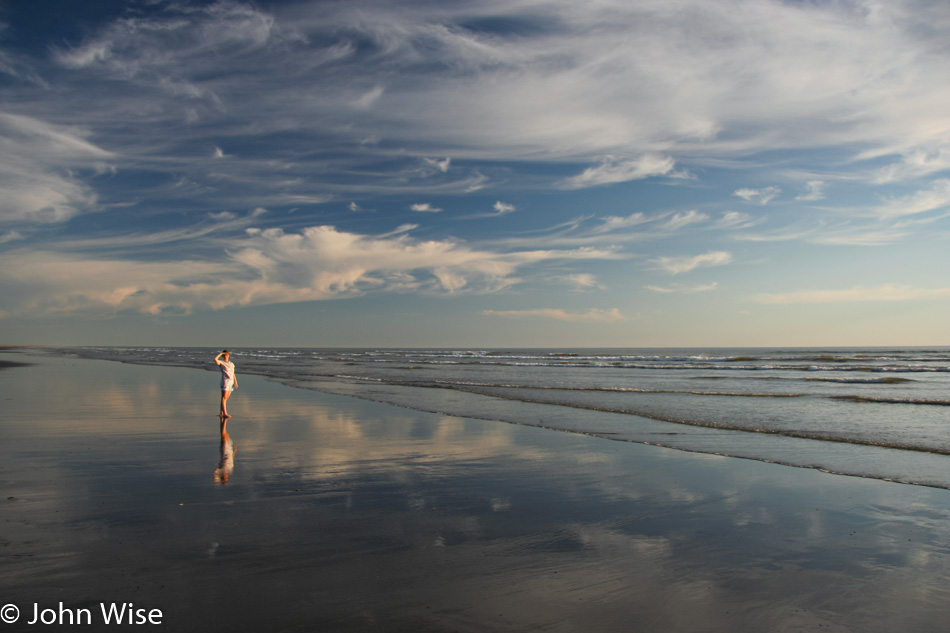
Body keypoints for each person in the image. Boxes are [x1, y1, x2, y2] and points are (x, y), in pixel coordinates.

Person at [214, 350, 238, 418]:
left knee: (226, 398)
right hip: (225, 381)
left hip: (231, 381)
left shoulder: (231, 364)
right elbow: (215, 359)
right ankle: (225, 413)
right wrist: (221, 353)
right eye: (224, 355)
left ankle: (221, 412)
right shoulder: (221, 363)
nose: (226, 356)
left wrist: (235, 381)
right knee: (224, 397)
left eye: (227, 355)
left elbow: (233, 373)